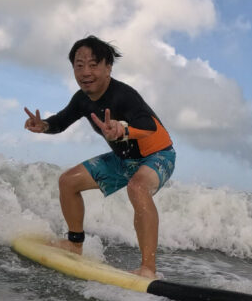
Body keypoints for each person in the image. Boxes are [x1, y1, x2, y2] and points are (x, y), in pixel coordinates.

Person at [23, 35, 175, 279]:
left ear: (108, 67)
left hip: (157, 155)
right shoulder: (82, 99)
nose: (85, 71)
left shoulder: (124, 95)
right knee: (67, 181)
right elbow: (61, 122)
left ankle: (148, 268)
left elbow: (149, 127)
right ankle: (74, 244)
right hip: (123, 160)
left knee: (137, 187)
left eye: (93, 64)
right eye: (79, 65)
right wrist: (44, 126)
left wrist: (124, 129)